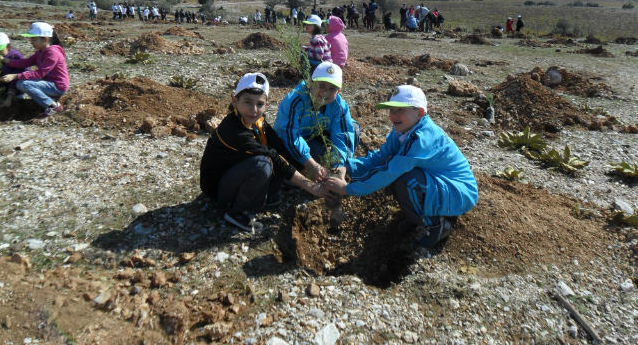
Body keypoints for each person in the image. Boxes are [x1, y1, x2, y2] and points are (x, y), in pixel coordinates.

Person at [323, 85, 479, 249]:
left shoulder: (421, 138)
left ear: (420, 113)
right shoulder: (404, 130)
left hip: (458, 192)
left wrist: (349, 188)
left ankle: (435, 226)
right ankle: (417, 217)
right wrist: (348, 167)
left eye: (400, 110)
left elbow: (390, 171)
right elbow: (381, 157)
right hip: (439, 184)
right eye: (392, 110)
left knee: (405, 179)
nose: (394, 115)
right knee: (395, 170)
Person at [200, 73, 331, 232]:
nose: (253, 110)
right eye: (248, 102)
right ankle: (237, 212)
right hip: (217, 187)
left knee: (276, 153)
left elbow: (280, 148)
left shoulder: (259, 122)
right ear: (235, 101)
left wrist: (309, 171)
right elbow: (271, 156)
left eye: (259, 104)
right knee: (263, 163)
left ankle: (268, 194)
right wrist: (309, 185)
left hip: (236, 173)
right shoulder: (232, 130)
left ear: (266, 104)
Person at [273, 63, 358, 178]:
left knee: (354, 128)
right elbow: (289, 135)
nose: (324, 93)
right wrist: (311, 164)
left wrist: (337, 167)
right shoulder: (294, 100)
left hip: (318, 134)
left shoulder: (340, 106)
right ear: (310, 83)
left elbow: (343, 135)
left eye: (332, 89)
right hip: (291, 139)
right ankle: (295, 173)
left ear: (338, 91)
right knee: (318, 156)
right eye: (321, 85)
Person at [0, 23, 69, 118]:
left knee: (24, 84)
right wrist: (4, 59)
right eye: (31, 39)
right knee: (22, 82)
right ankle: (50, 98)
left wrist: (14, 76)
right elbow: (24, 62)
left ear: (45, 39)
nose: (32, 42)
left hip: (57, 86)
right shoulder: (40, 52)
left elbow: (39, 74)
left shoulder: (53, 53)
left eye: (34, 39)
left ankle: (53, 106)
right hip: (48, 83)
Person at [0, 33, 28, 109]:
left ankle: (15, 97)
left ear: (9, 47)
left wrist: (9, 96)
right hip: (5, 86)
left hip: (17, 87)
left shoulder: (17, 57)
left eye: (0, 50)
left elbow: (18, 76)